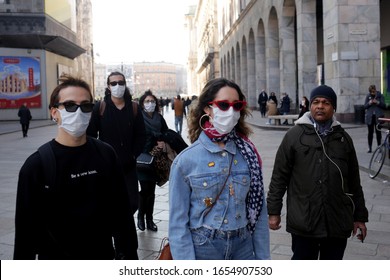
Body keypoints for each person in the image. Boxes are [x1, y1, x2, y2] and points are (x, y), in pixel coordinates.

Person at [14, 74, 138, 260]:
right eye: (70, 106)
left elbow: (122, 215)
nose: (79, 112)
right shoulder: (36, 165)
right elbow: (25, 234)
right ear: (54, 112)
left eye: (86, 106)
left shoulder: (106, 154)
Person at [168, 78, 270, 260]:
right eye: (223, 105)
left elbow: (259, 213)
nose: (231, 111)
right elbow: (178, 224)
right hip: (204, 248)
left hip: (243, 248)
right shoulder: (186, 160)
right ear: (207, 108)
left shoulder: (248, 154)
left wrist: (263, 260)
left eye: (237, 105)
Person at [267, 84, 368, 260]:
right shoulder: (293, 136)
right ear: (310, 106)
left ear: (333, 107)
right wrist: (274, 212)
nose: (320, 106)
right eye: (316, 102)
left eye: (326, 102)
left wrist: (359, 216)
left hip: (337, 221)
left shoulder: (343, 139)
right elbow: (279, 177)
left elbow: (354, 181)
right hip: (304, 221)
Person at [87, 71, 146, 214]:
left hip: (129, 165)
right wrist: (99, 156)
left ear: (125, 85)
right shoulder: (100, 107)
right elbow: (91, 134)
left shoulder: (134, 107)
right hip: (107, 164)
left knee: (133, 202)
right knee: (110, 201)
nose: (117, 86)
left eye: (121, 83)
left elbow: (141, 134)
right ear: (108, 87)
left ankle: (123, 225)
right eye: (113, 83)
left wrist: (133, 154)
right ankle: (115, 229)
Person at [136, 90, 169, 232]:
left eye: (152, 101)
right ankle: (140, 217)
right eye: (147, 101)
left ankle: (150, 219)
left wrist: (163, 142)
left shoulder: (159, 118)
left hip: (155, 158)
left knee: (152, 190)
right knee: (144, 189)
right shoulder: (138, 118)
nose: (150, 104)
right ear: (142, 104)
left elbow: (166, 132)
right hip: (142, 157)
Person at [364, 84, 386, 153]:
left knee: (378, 132)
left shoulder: (380, 96)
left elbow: (384, 106)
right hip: (370, 117)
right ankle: (369, 147)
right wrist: (369, 103)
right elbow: (365, 106)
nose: (373, 93)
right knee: (370, 133)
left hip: (378, 117)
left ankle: (379, 147)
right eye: (371, 92)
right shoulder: (368, 96)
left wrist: (377, 102)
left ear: (376, 90)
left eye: (374, 92)